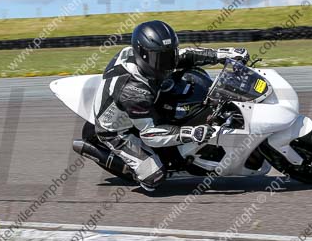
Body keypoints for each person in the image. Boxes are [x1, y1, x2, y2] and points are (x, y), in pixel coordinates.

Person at [93, 20, 249, 191]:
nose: (168, 63)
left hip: (141, 101)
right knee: (154, 178)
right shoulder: (134, 91)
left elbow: (186, 55)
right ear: (142, 55)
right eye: (160, 59)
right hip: (117, 130)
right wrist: (190, 132)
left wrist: (224, 54)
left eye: (169, 55)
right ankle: (138, 168)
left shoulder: (151, 57)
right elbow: (149, 134)